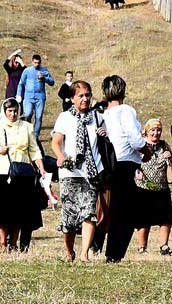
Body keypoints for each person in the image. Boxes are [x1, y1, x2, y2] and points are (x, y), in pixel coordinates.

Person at [51, 80, 104, 261]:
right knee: (70, 217)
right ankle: (69, 251)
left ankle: (84, 254)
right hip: (70, 172)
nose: (85, 99)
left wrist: (104, 134)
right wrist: (61, 156)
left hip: (90, 172)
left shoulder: (97, 117)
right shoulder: (65, 117)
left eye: (87, 95)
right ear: (72, 98)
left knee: (89, 212)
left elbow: (105, 141)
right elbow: (56, 142)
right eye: (80, 95)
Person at [0, 97, 49, 252]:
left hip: (23, 171)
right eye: (9, 110)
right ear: (4, 111)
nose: (13, 114)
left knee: (18, 209)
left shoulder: (27, 127)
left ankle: (14, 243)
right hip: (2, 171)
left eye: (15, 110)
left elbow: (34, 150)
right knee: (2, 209)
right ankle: (2, 242)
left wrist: (41, 169)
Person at [101, 74, 146, 262]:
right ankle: (115, 253)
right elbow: (135, 139)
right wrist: (147, 148)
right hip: (127, 162)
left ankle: (107, 249)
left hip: (109, 164)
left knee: (113, 209)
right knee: (126, 213)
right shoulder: (125, 110)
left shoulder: (103, 113)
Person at [135, 118, 172, 254]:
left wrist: (169, 157)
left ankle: (163, 246)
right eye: (153, 130)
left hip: (162, 188)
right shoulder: (141, 145)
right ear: (147, 131)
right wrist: (136, 171)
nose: (156, 133)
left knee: (166, 218)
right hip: (143, 187)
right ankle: (142, 247)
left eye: (158, 130)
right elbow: (132, 161)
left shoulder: (164, 145)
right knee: (143, 219)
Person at [17, 54, 55, 141]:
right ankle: (27, 132)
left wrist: (44, 78)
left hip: (40, 97)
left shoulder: (44, 71)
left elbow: (52, 82)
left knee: (38, 116)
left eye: (38, 63)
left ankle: (36, 136)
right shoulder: (27, 71)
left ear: (40, 62)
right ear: (32, 62)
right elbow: (21, 83)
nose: (36, 64)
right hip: (28, 97)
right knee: (28, 114)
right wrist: (19, 94)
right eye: (35, 62)